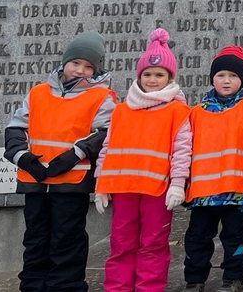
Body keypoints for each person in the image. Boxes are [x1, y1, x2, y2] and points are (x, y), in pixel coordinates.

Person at [5, 30, 117, 292]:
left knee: (67, 239)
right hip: (35, 179)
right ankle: (32, 286)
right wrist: (23, 157)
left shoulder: (102, 97)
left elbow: (105, 133)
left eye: (88, 66)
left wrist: (75, 154)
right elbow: (16, 127)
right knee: (35, 238)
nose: (80, 70)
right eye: (76, 62)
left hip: (71, 181)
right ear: (65, 62)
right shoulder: (37, 93)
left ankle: (65, 287)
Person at [96, 29, 191, 292]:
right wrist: (101, 183)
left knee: (153, 244)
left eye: (159, 75)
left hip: (157, 190)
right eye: (147, 74)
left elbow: (183, 150)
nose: (152, 80)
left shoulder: (178, 111)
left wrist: (178, 183)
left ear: (170, 78)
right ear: (139, 76)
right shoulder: (121, 111)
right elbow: (108, 147)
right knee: (120, 244)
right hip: (123, 188)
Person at [183, 46, 243, 292]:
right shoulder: (196, 112)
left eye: (233, 75)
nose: (226, 80)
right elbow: (187, 149)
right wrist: (182, 181)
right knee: (197, 237)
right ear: (212, 78)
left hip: (236, 189)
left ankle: (234, 278)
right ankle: (194, 280)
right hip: (203, 192)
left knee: (236, 236)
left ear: (242, 79)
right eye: (221, 75)